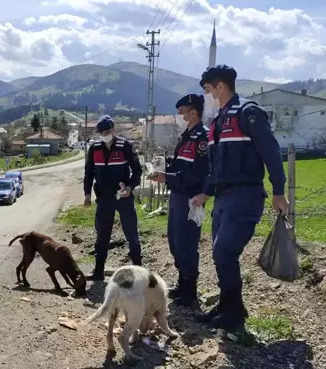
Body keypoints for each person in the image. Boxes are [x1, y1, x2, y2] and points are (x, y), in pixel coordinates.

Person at [191, 64, 288, 331]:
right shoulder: (219, 121)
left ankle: (233, 312)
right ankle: (227, 305)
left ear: (220, 87)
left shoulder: (248, 113)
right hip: (223, 198)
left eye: (209, 90)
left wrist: (278, 190)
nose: (208, 96)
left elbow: (271, 152)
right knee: (219, 253)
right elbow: (215, 166)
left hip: (245, 194)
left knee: (225, 251)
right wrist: (205, 193)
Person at [149, 94, 209, 307]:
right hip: (177, 195)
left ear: (193, 112)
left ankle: (190, 290)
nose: (179, 116)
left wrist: (168, 177)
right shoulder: (187, 135)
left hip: (192, 197)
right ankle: (182, 282)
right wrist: (162, 166)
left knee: (186, 242)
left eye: (182, 112)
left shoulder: (203, 137)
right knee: (175, 241)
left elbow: (198, 173)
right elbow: (180, 164)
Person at [83, 115, 143, 281]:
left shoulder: (125, 146)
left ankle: (139, 271)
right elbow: (89, 173)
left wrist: (130, 187)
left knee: (131, 234)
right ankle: (98, 271)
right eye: (101, 132)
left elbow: (137, 171)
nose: (105, 134)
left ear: (114, 130)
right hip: (104, 198)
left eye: (107, 131)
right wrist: (87, 193)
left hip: (123, 197)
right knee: (102, 235)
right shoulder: (94, 149)